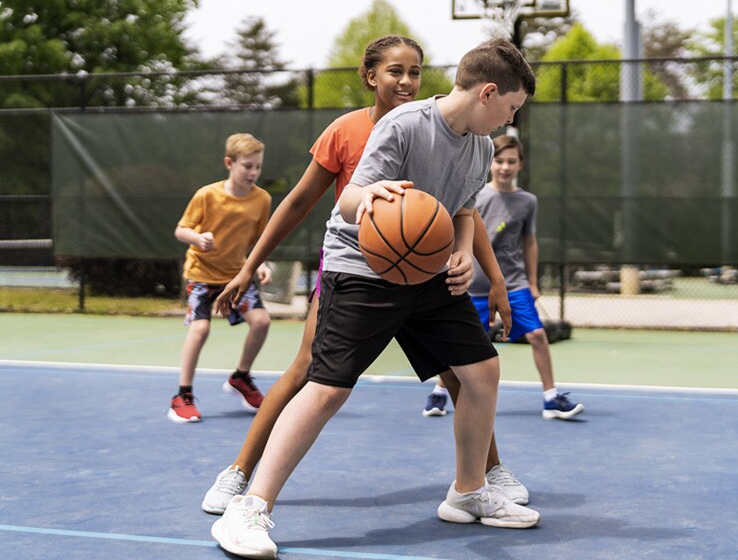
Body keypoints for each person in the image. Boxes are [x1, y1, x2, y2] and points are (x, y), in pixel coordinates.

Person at [210, 39, 541, 559]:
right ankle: (248, 508)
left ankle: (468, 491)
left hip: (428, 273)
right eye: (511, 108)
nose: (509, 120)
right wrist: (372, 196)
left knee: (481, 373)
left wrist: (460, 254)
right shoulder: (406, 124)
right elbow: (345, 200)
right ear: (488, 92)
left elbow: (458, 211)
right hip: (363, 268)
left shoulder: (478, 147)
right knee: (326, 389)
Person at [423, 134, 585, 420]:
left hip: (513, 283)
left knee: (536, 335)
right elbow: (458, 231)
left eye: (511, 161)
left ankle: (550, 397)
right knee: (457, 343)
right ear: (490, 163)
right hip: (474, 285)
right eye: (499, 161)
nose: (504, 167)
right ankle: (439, 391)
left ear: (520, 165)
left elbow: (529, 243)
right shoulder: (477, 196)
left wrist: (532, 282)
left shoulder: (527, 202)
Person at [167, 133, 272, 423]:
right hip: (202, 275)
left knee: (261, 322)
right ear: (229, 163)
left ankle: (241, 378)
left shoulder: (262, 199)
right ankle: (182, 396)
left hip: (237, 277)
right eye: (247, 166)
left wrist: (260, 264)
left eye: (257, 167)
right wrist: (198, 238)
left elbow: (261, 239)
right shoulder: (207, 195)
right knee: (200, 330)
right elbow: (181, 230)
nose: (253, 172)